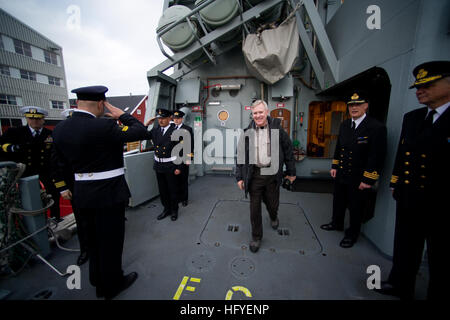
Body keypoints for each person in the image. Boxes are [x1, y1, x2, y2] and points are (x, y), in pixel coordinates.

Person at [52, 85, 149, 299]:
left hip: (82, 194)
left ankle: (96, 279)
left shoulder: (59, 129)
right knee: (111, 243)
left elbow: (57, 163)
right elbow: (142, 132)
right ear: (100, 104)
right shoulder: (103, 126)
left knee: (92, 241)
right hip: (108, 195)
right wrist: (121, 114)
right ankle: (111, 285)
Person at [375, 61, 450, 300]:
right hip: (409, 197)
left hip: (442, 203)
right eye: (417, 86)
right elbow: (402, 154)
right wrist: (396, 183)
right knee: (405, 246)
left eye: (427, 84)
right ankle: (400, 285)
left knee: (441, 257)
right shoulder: (413, 118)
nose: (419, 90)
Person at [320, 91, 387, 248]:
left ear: (366, 106)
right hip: (342, 172)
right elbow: (339, 147)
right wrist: (335, 166)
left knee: (356, 206)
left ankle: (352, 234)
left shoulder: (376, 127)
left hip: (359, 176)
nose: (354, 108)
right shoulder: (345, 125)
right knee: (338, 200)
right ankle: (336, 223)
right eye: (351, 105)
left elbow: (376, 156)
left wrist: (368, 179)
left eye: (358, 104)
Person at [235, 99, 296, 253]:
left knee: (272, 204)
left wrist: (291, 172)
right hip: (254, 175)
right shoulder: (246, 132)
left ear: (267, 112)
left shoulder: (278, 130)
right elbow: (240, 156)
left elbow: (288, 151)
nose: (258, 115)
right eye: (255, 113)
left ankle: (273, 216)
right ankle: (256, 237)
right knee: (254, 209)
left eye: (261, 112)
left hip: (272, 174)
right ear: (252, 115)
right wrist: (239, 177)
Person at [0, 106, 61, 222]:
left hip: (47, 174)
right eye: (31, 119)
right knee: (29, 203)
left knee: (52, 197)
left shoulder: (50, 134)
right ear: (27, 119)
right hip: (24, 174)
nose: (34, 121)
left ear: (43, 120)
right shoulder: (15, 133)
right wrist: (12, 149)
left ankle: (56, 219)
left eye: (38, 119)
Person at [51, 110, 89, 266]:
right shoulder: (60, 139)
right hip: (74, 186)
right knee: (81, 220)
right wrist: (62, 188)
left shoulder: (90, 137)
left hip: (94, 185)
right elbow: (54, 164)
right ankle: (85, 250)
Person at [144, 108, 182, 221]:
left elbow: (181, 150)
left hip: (171, 165)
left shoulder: (175, 131)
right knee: (163, 190)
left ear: (170, 118)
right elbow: (143, 135)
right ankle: (166, 209)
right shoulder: (155, 130)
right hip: (159, 166)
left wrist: (179, 167)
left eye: (163, 118)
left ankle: (174, 210)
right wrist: (146, 124)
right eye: (159, 118)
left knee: (172, 189)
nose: (160, 121)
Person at [172, 110, 194, 207]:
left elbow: (190, 144)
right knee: (174, 180)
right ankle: (177, 198)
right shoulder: (171, 128)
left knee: (183, 180)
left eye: (178, 119)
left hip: (183, 157)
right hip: (172, 158)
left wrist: (189, 158)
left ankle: (184, 199)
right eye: (175, 119)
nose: (176, 120)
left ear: (181, 119)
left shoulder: (187, 129)